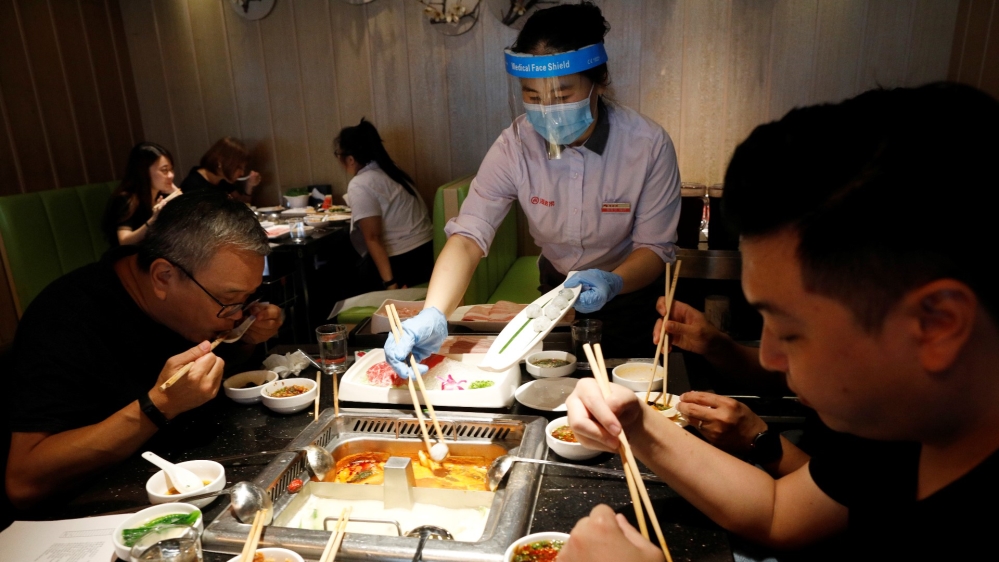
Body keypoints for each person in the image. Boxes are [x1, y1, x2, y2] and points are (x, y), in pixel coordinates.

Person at [561, 83, 999, 561]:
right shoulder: (905, 424)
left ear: (937, 325)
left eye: (791, 331)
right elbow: (778, 512)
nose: (768, 356)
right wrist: (635, 421)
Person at [385, 2, 680, 377]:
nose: (548, 112)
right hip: (554, 299)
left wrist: (614, 281)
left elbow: (655, 249)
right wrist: (433, 312)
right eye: (534, 97)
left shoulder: (648, 145)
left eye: (561, 95)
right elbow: (468, 237)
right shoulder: (514, 146)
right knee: (552, 390)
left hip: (628, 295)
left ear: (598, 80)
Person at [4, 191, 283, 509]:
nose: (237, 314)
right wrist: (157, 406)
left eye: (247, 298)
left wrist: (244, 338)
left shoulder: (189, 304)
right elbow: (23, 481)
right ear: (163, 277)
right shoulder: (65, 320)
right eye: (229, 300)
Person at [335, 119, 434, 291]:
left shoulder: (360, 184)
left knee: (341, 274)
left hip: (405, 262)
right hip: (428, 255)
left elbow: (373, 238)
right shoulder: (391, 170)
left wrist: (390, 283)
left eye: (338, 155)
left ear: (350, 159)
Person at [101, 142, 180, 246]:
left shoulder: (162, 195)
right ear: (144, 172)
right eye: (164, 170)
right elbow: (124, 241)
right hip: (128, 258)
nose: (171, 175)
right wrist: (154, 219)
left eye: (171, 169)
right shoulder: (126, 199)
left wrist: (174, 190)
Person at [180, 137, 262, 203]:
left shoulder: (223, 179)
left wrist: (249, 186)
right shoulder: (193, 185)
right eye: (238, 167)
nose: (242, 173)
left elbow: (242, 205)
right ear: (220, 162)